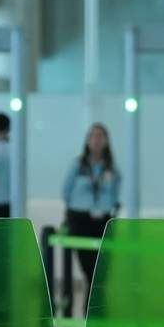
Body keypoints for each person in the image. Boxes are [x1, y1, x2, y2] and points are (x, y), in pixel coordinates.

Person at [60, 123, 122, 307]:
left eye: (100, 136)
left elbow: (115, 194)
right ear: (87, 141)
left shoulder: (111, 168)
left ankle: (94, 311)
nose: (96, 140)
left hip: (102, 221)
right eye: (93, 136)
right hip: (80, 220)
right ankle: (93, 310)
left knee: (101, 271)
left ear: (106, 141)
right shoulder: (78, 165)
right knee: (90, 270)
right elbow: (66, 191)